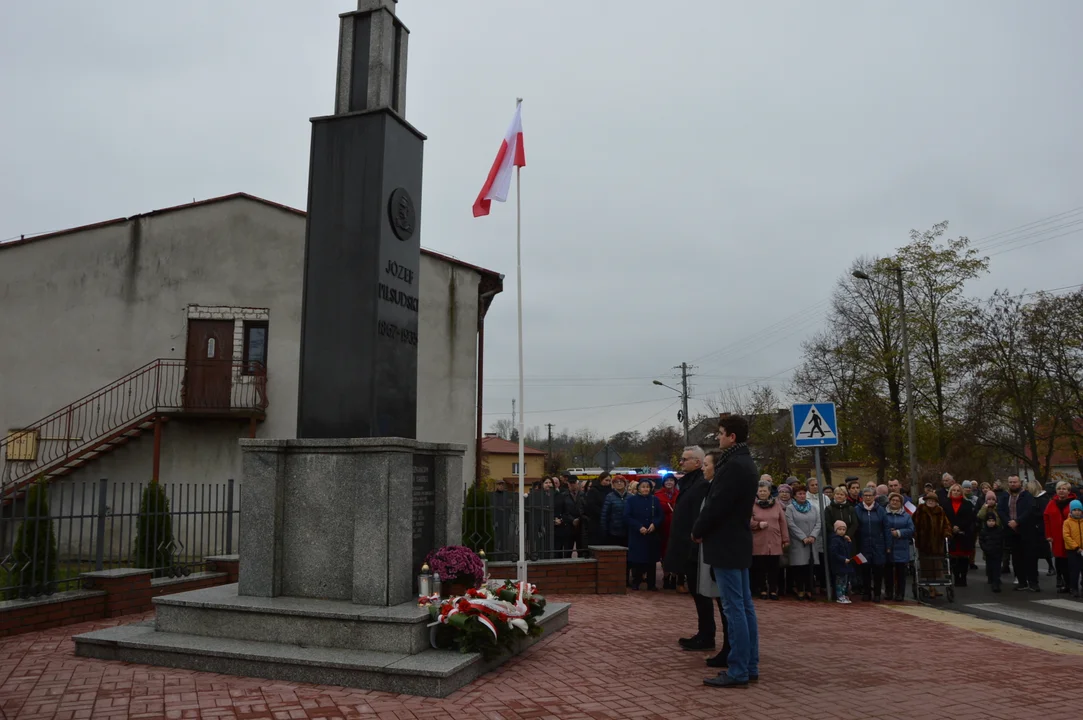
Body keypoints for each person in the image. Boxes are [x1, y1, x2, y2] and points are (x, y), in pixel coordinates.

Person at [693, 415, 760, 689]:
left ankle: (739, 669)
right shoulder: (746, 462)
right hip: (738, 541)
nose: (718, 437)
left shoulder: (732, 466)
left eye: (721, 433)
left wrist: (698, 528)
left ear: (732, 436)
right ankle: (749, 664)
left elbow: (717, 504)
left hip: (726, 542)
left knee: (735, 608)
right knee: (744, 606)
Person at [664, 446, 728, 661]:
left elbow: (699, 517)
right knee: (697, 593)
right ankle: (705, 631)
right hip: (688, 547)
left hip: (696, 548)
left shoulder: (701, 485)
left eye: (685, 459)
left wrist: (693, 543)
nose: (680, 463)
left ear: (698, 463)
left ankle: (709, 635)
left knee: (706, 594)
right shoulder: (690, 483)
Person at [998, 475, 1040, 592]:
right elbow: (1000, 510)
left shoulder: (1027, 496)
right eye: (1010, 482)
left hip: (1026, 530)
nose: (1012, 484)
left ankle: (1033, 582)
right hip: (1011, 531)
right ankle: (1022, 582)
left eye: (1015, 482)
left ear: (1019, 483)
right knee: (1016, 559)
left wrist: (1017, 521)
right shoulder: (1004, 496)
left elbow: (1029, 510)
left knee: (1030, 558)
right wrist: (1008, 522)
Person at [750, 480, 788, 600]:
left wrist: (785, 539)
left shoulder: (776, 504)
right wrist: (757, 524)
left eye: (764, 491)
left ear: (769, 492)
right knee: (760, 567)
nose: (762, 493)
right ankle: (762, 589)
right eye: (760, 491)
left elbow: (782, 522)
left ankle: (773, 590)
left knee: (774, 567)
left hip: (775, 540)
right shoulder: (752, 504)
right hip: (759, 540)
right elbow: (746, 520)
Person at [624, 480, 663, 590]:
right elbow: (627, 516)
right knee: (638, 559)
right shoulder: (631, 500)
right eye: (643, 487)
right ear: (638, 488)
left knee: (651, 560)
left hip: (651, 533)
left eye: (647, 487)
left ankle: (651, 583)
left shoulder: (654, 500)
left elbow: (660, 515)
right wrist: (638, 526)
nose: (645, 489)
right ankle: (637, 581)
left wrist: (655, 524)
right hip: (637, 534)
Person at [785, 483, 820, 601]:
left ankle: (810, 590)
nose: (802, 496)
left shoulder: (813, 507)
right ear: (794, 496)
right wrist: (803, 537)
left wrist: (813, 536)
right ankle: (800, 589)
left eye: (804, 493)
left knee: (809, 568)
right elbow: (790, 524)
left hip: (811, 542)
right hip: (798, 542)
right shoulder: (790, 509)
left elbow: (818, 523)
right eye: (799, 494)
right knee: (799, 567)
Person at [855, 486, 890, 602]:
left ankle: (877, 594)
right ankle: (866, 592)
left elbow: (886, 528)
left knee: (878, 570)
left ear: (874, 497)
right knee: (865, 570)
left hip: (878, 545)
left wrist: (888, 545)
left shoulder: (880, 510)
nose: (868, 497)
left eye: (870, 495)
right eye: (866, 495)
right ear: (862, 497)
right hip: (863, 545)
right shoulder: (857, 509)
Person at [914, 493, 953, 597]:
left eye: (933, 501)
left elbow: (946, 524)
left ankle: (934, 587)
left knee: (936, 567)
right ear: (925, 501)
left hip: (937, 543)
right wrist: (915, 534)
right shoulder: (920, 510)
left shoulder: (940, 511)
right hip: (924, 543)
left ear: (936, 502)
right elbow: (913, 523)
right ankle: (931, 588)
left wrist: (947, 533)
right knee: (927, 567)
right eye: (928, 500)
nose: (930, 502)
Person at [1044, 481, 1078, 593]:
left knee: (1073, 562)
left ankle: (1074, 585)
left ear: (1069, 491)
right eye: (1059, 489)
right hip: (1057, 537)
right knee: (1061, 561)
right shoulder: (1052, 503)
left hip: (1072, 537)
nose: (1061, 491)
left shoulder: (1074, 503)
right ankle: (1066, 584)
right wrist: (1048, 535)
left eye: (1064, 489)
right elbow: (1046, 519)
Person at [942, 483, 976, 587]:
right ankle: (956, 577)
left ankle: (963, 577)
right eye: (954, 490)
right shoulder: (945, 504)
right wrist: (952, 527)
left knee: (963, 557)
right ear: (950, 492)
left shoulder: (967, 504)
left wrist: (959, 527)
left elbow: (970, 519)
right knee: (954, 557)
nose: (956, 492)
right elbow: (944, 518)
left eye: (958, 490)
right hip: (951, 534)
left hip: (964, 533)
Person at [883, 492, 915, 601]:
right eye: (893, 500)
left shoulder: (906, 516)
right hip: (887, 547)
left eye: (897, 501)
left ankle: (900, 593)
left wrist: (898, 532)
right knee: (888, 572)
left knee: (901, 573)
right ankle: (888, 592)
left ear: (901, 503)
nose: (895, 502)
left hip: (902, 547)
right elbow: (879, 527)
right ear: (889, 501)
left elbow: (911, 530)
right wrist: (888, 532)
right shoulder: (883, 514)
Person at [654, 475, 680, 589]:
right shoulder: (658, 495)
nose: (669, 483)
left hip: (677, 528)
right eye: (667, 481)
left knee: (675, 553)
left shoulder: (680, 494)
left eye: (671, 480)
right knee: (664, 553)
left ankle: (674, 577)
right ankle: (666, 577)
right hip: (663, 528)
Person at [555, 477, 586, 558]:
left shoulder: (583, 495)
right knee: (567, 551)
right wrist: (572, 520)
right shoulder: (563, 496)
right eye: (570, 483)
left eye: (574, 483)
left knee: (581, 551)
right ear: (568, 484)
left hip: (581, 526)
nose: (572, 485)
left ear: (577, 483)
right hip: (568, 526)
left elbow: (585, 509)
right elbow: (562, 512)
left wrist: (579, 519)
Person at [829, 520, 856, 604]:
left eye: (844, 529)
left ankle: (843, 595)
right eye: (839, 529)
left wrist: (849, 542)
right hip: (839, 565)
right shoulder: (834, 540)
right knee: (839, 582)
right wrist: (843, 559)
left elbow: (848, 550)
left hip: (845, 565)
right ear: (836, 530)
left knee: (845, 582)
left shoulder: (844, 539)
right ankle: (839, 596)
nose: (842, 531)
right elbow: (834, 553)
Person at [600, 476, 630, 549]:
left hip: (628, 531)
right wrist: (604, 530)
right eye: (616, 482)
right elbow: (604, 515)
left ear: (625, 484)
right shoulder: (610, 497)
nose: (619, 483)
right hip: (614, 532)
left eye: (621, 481)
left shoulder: (630, 497)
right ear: (613, 484)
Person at [979, 511, 1004, 593]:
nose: (991, 523)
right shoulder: (983, 531)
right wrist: (985, 548)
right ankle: (991, 578)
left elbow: (1002, 541)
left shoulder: (999, 530)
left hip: (997, 552)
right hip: (988, 552)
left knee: (996, 567)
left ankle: (996, 582)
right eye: (989, 521)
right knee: (990, 567)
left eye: (993, 521)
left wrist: (1001, 549)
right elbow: (981, 541)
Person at [584, 472, 612, 546]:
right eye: (606, 480)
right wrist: (603, 513)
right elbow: (591, 506)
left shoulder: (611, 491)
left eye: (609, 481)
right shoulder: (593, 491)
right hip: (596, 523)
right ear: (601, 480)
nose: (608, 482)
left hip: (608, 523)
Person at [1063, 500, 1083, 598]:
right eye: (1074, 510)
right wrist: (1076, 547)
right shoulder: (1067, 522)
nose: (1077, 512)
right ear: (1071, 511)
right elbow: (1066, 536)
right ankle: (1073, 588)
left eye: (1079, 510)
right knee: (1074, 570)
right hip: (1073, 550)